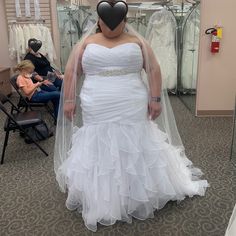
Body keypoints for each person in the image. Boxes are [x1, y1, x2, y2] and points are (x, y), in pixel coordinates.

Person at [54, 0, 209, 232]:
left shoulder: (138, 41)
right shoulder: (85, 43)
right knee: (99, 142)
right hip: (97, 102)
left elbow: (154, 68)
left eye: (118, 21)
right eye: (106, 21)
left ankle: (138, 191)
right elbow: (71, 71)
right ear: (98, 21)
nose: (112, 26)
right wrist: (68, 100)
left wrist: (155, 99)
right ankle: (104, 196)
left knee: (135, 140)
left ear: (125, 21)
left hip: (131, 101)